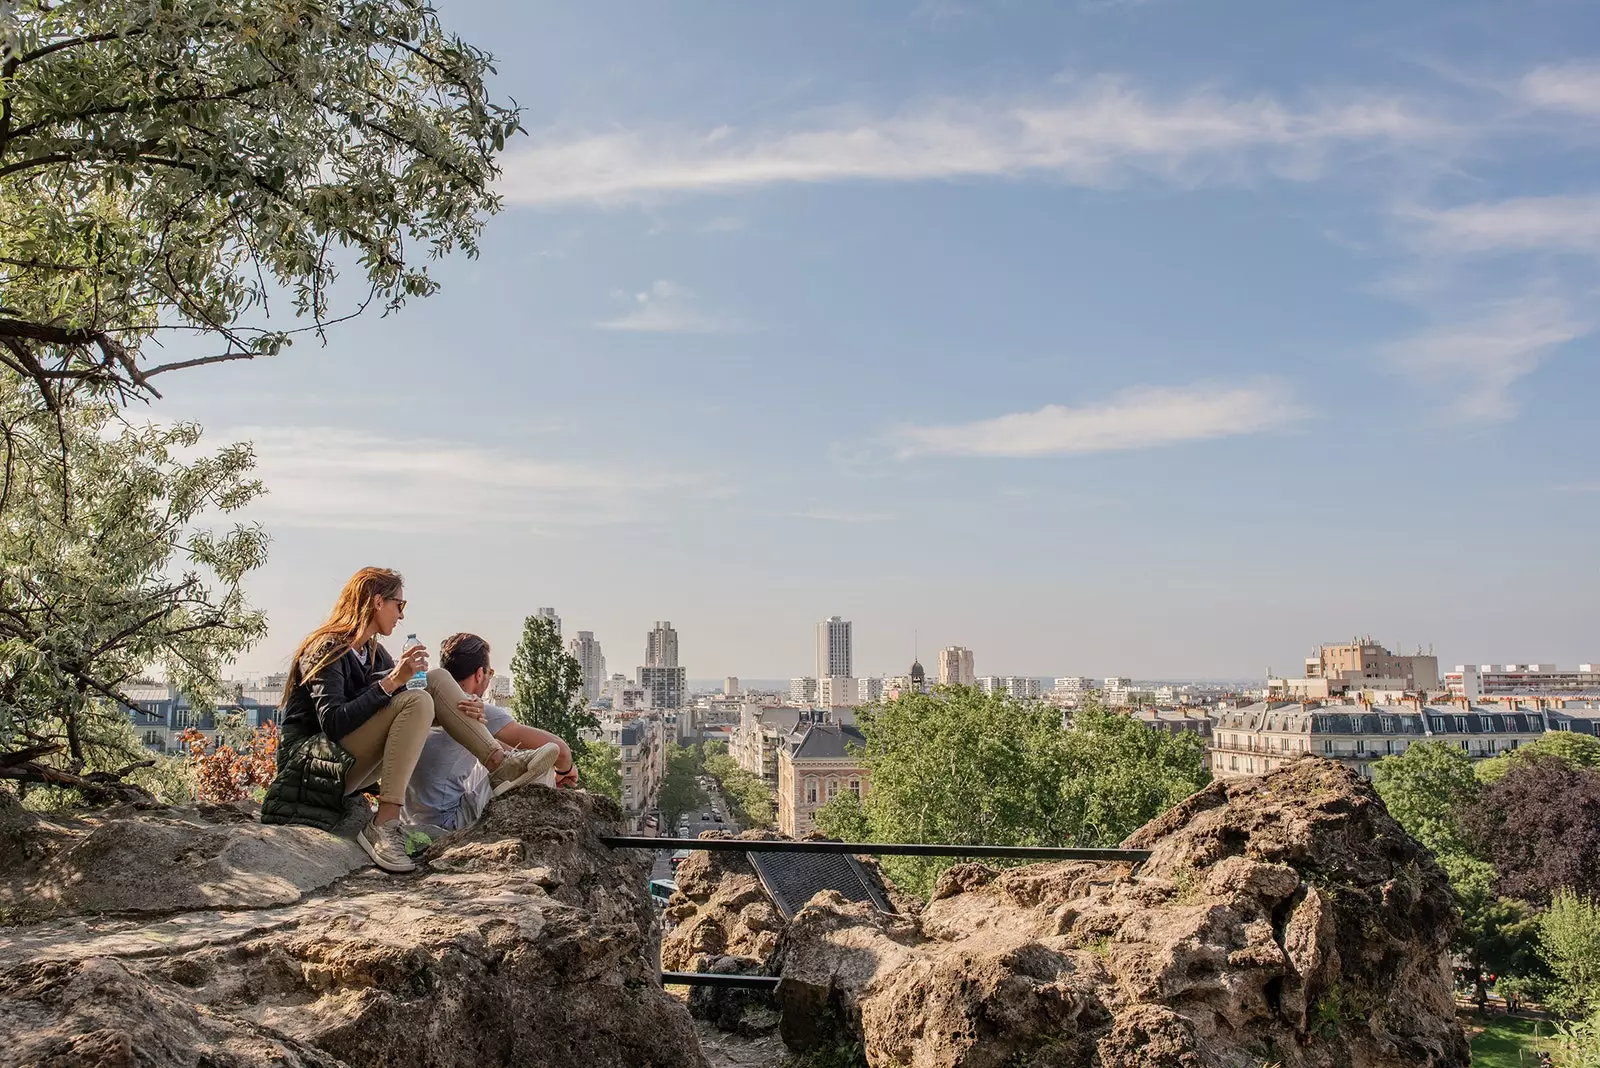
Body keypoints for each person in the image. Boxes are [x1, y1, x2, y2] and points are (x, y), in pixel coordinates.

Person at [264, 567, 560, 873]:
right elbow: (334, 722)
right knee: (416, 695)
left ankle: (500, 764)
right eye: (399, 605)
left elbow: (411, 718)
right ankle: (384, 824)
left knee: (435, 679)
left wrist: (465, 717)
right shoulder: (326, 648)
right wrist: (392, 682)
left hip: (345, 764)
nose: (401, 615)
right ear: (378, 602)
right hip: (311, 769)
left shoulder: (374, 654)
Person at [405, 632, 579, 832]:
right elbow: (560, 750)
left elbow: (508, 751)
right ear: (480, 674)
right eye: (490, 673)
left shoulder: (424, 702)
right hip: (447, 823)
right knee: (541, 766)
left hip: (410, 819)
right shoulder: (470, 707)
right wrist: (565, 771)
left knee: (504, 756)